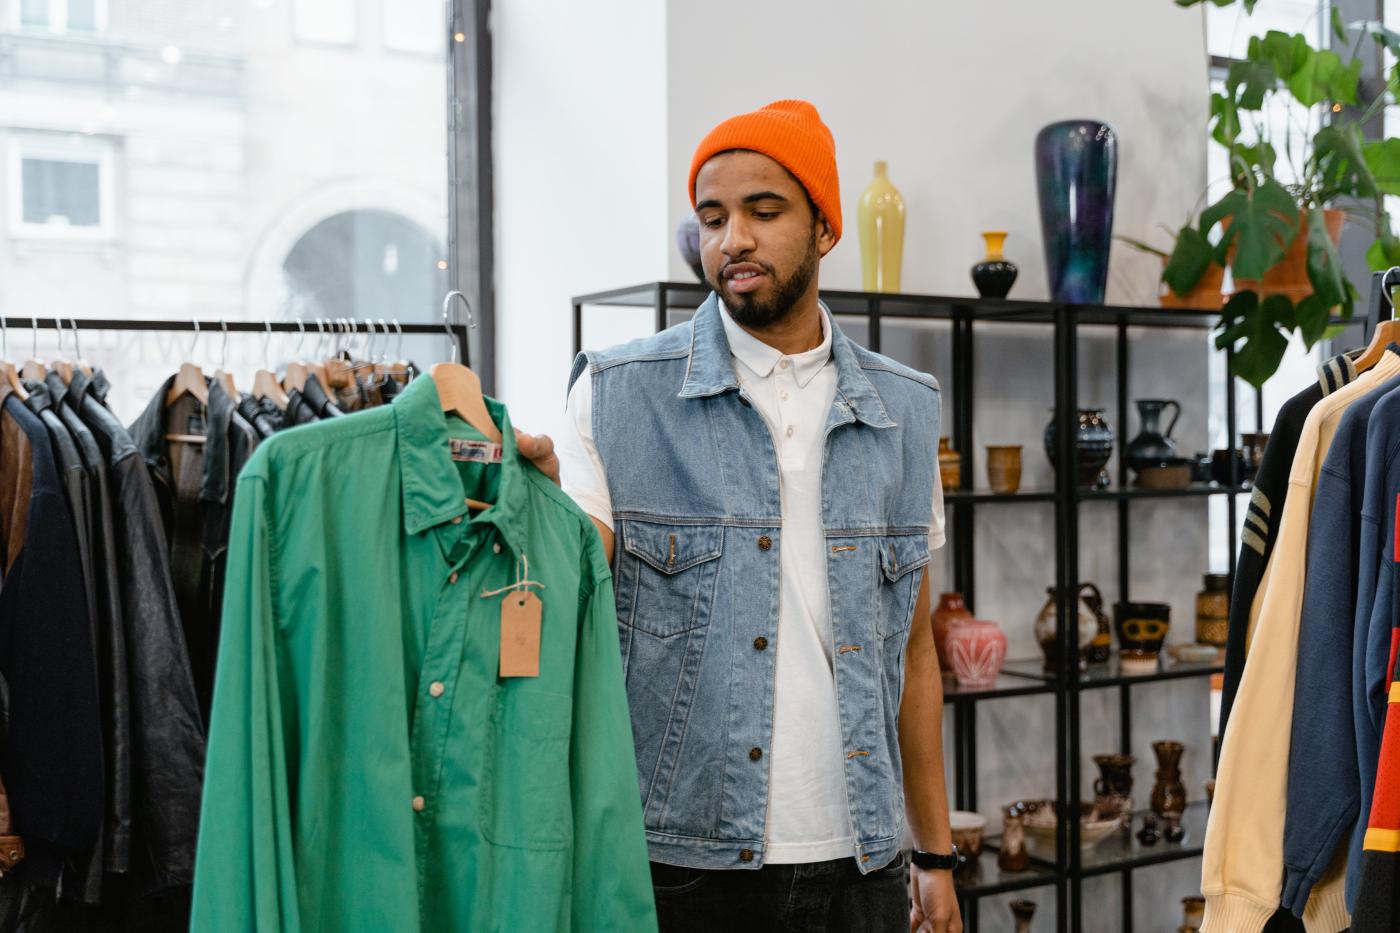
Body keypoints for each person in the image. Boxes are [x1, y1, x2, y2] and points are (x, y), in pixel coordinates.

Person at [520, 99, 961, 933]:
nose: (734, 240)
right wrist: (533, 515)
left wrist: (933, 856)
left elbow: (914, 651)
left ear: (825, 228)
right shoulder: (617, 396)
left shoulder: (905, 409)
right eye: (713, 217)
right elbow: (565, 612)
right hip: (680, 866)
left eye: (765, 211)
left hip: (863, 864)